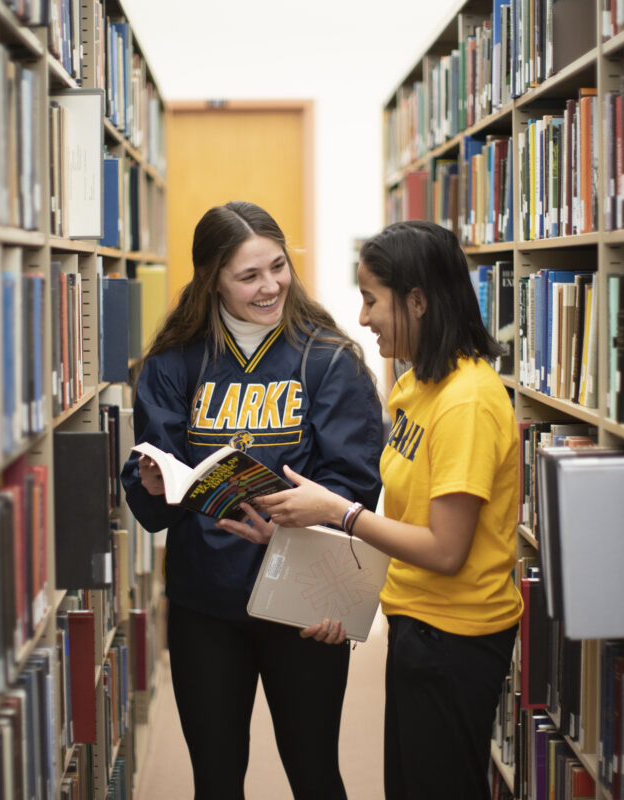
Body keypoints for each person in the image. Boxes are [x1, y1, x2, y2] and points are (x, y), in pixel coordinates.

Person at [252, 220, 524, 800]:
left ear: (418, 301)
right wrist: (293, 544)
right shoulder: (416, 388)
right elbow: (401, 525)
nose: (364, 317)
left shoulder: (468, 402)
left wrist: (339, 510)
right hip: (415, 628)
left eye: (372, 299)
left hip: (455, 641)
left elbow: (445, 550)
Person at [121, 201, 383, 800]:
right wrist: (155, 483)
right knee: (215, 779)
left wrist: (310, 561)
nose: (270, 286)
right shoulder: (173, 361)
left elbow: (353, 490)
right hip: (204, 604)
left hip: (304, 603)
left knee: (314, 772)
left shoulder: (327, 359)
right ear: (212, 278)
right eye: (249, 276)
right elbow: (153, 496)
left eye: (278, 267)